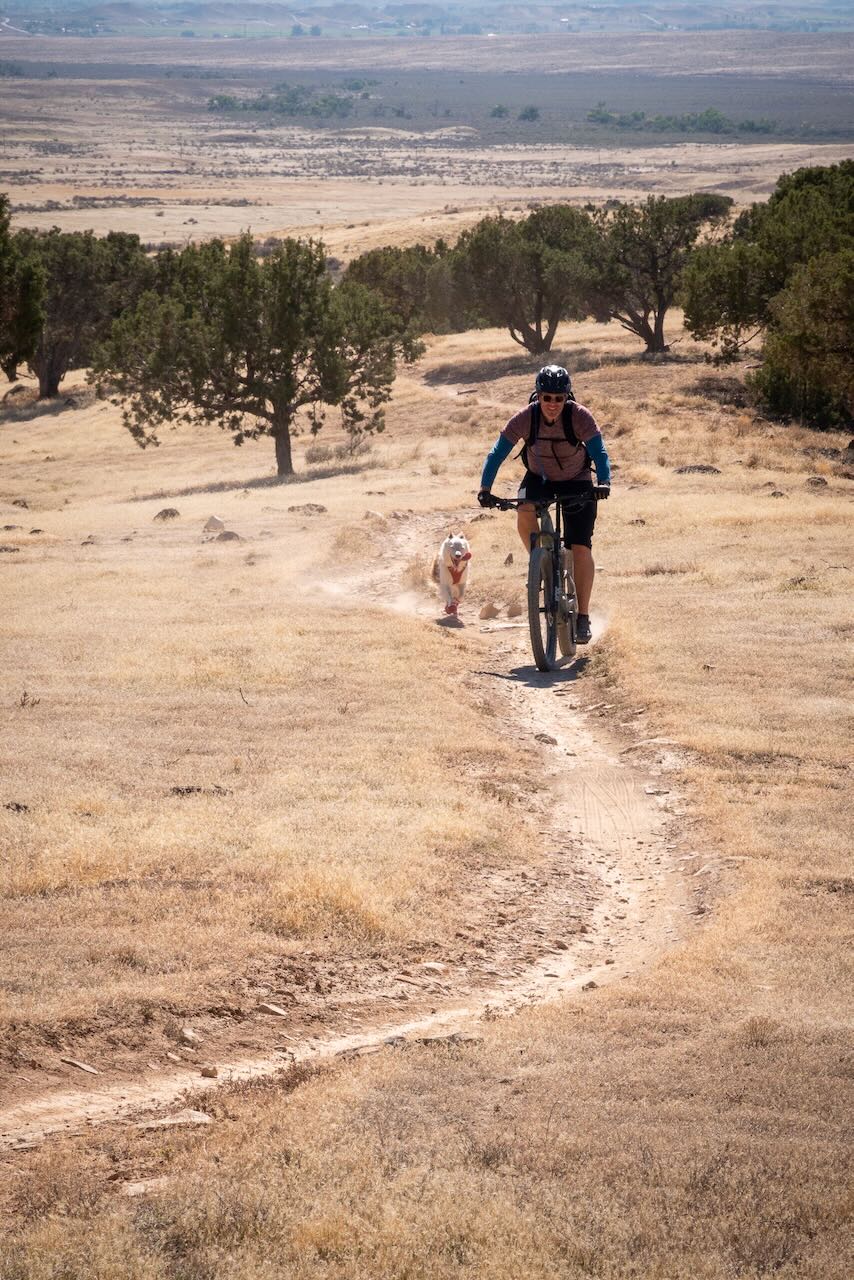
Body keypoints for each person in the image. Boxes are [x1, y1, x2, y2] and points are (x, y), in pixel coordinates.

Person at [477, 364, 610, 645]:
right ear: (538, 396)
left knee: (581, 545)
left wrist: (604, 483)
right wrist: (485, 489)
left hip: (578, 480)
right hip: (540, 477)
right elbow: (497, 453)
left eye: (558, 398)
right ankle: (540, 563)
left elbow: (599, 451)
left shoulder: (580, 417)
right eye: (546, 397)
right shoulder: (526, 418)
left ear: (567, 397)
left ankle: (583, 617)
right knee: (524, 508)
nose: (552, 404)